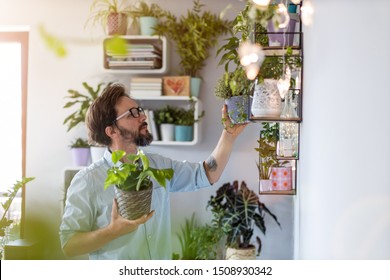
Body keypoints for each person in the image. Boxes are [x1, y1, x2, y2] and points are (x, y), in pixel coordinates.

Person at [59, 83, 247, 259]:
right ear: (111, 131)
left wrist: (228, 136)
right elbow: (69, 244)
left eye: (139, 110)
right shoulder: (87, 180)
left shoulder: (157, 166)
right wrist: (112, 231)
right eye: (132, 113)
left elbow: (206, 173)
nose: (143, 116)